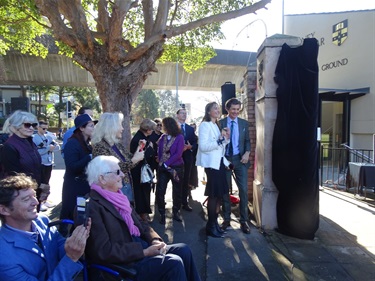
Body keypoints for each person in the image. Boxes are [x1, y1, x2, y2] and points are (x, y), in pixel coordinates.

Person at [85, 155, 201, 281]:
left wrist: (154, 240)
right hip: (125, 265)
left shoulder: (118, 198)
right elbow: (104, 251)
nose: (123, 175)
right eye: (118, 172)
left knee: (184, 250)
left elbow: (141, 224)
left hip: (140, 249)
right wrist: (144, 252)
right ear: (102, 179)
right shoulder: (92, 207)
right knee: (174, 263)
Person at [0, 174, 91, 280]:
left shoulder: (42, 220)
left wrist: (77, 240)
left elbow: (61, 246)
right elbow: (69, 257)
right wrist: (71, 257)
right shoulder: (4, 257)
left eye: (34, 195)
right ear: (4, 210)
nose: (36, 202)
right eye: (26, 199)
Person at [91, 112, 144, 205]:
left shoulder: (117, 144)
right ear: (111, 127)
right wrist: (134, 160)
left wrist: (139, 149)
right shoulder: (100, 147)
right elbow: (111, 172)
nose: (122, 129)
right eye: (120, 125)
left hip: (125, 185)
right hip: (113, 190)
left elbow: (131, 160)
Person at [196, 102, 230, 238]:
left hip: (219, 164)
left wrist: (225, 139)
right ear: (208, 111)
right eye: (214, 108)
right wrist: (220, 141)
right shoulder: (205, 125)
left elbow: (220, 146)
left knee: (219, 195)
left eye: (218, 108)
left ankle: (215, 224)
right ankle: (210, 226)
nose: (217, 110)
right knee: (213, 196)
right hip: (212, 166)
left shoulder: (216, 125)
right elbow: (203, 146)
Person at [60, 114, 97, 234]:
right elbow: (72, 167)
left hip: (84, 187)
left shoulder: (88, 144)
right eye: (91, 126)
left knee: (81, 215)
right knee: (70, 215)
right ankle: (63, 240)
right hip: (74, 188)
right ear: (81, 128)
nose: (94, 128)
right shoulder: (72, 144)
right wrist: (89, 157)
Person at [219, 98, 251, 234]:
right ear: (227, 109)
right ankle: (226, 219)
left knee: (243, 190)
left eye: (238, 109)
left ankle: (244, 221)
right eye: (233, 109)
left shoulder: (244, 123)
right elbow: (217, 142)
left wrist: (247, 153)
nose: (236, 112)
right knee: (225, 190)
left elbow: (248, 141)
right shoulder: (219, 123)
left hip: (240, 160)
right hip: (225, 159)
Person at [1, 111, 43, 210]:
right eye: (27, 125)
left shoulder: (30, 142)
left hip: (33, 192)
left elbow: (37, 167)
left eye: (34, 125)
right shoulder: (9, 146)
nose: (32, 128)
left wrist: (42, 187)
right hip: (19, 196)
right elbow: (14, 176)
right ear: (16, 127)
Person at [156, 117, 184, 224]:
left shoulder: (179, 137)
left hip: (176, 167)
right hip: (163, 168)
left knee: (177, 191)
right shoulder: (162, 137)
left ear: (169, 125)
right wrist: (160, 163)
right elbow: (159, 150)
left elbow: (178, 154)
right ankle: (162, 213)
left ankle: (176, 212)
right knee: (160, 191)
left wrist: (166, 163)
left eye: (163, 125)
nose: (162, 127)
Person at [130, 119, 156, 222]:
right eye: (152, 129)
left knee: (145, 191)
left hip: (143, 169)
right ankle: (142, 214)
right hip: (139, 170)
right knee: (141, 192)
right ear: (148, 129)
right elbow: (141, 155)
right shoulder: (139, 139)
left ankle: (144, 212)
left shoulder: (144, 137)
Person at [33, 121, 60, 211]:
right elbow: (37, 152)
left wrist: (52, 146)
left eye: (46, 128)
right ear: (38, 128)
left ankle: (44, 200)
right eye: (43, 128)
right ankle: (39, 203)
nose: (45, 130)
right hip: (41, 163)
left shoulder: (48, 137)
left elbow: (57, 147)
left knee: (47, 183)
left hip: (49, 162)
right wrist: (48, 148)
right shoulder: (35, 138)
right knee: (41, 184)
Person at [176, 108, 197, 211]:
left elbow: (195, 143)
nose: (184, 115)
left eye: (185, 113)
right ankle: (176, 204)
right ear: (177, 115)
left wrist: (190, 147)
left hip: (187, 158)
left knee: (185, 181)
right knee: (176, 181)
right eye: (182, 113)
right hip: (176, 158)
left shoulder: (190, 129)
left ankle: (185, 202)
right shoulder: (173, 128)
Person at [188, 123, 199, 191]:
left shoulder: (196, 137)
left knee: (193, 175)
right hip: (187, 157)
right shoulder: (187, 135)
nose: (193, 129)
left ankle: (191, 188)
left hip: (194, 158)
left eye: (194, 128)